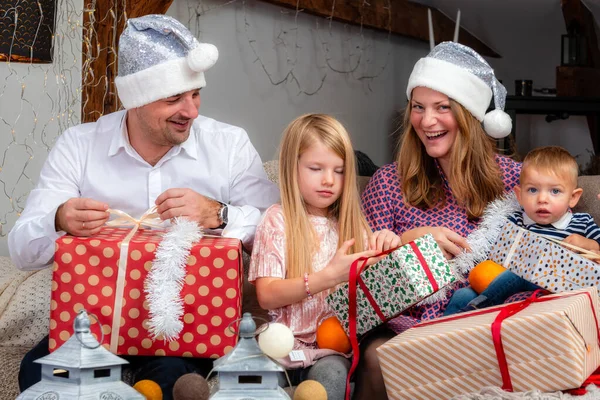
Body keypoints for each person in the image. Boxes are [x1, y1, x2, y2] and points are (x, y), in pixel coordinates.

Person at [9, 14, 279, 399]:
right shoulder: (80, 146)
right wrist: (59, 218)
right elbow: (20, 250)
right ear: (135, 99)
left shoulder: (228, 145)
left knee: (169, 383)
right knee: (39, 378)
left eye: (196, 93)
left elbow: (277, 228)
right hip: (93, 321)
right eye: (174, 99)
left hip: (184, 324)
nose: (192, 111)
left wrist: (219, 213)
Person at [358, 42, 521, 399]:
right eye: (418, 107)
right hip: (404, 330)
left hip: (486, 325)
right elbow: (362, 298)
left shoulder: (517, 183)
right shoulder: (387, 183)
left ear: (470, 115)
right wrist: (409, 241)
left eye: (442, 107)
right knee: (376, 356)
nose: (426, 121)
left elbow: (551, 243)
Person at [249, 114, 400, 399]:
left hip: (331, 350)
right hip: (279, 347)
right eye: (316, 168)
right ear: (291, 168)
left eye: (339, 170)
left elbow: (377, 291)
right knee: (249, 384)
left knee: (330, 378)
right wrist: (327, 277)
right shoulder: (277, 220)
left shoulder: (352, 225)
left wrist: (389, 247)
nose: (329, 180)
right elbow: (267, 295)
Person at [444, 146, 600, 315]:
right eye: (532, 190)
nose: (542, 199)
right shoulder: (515, 222)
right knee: (462, 294)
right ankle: (439, 335)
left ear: (573, 198)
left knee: (527, 269)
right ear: (519, 195)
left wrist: (589, 243)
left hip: (553, 290)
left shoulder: (581, 222)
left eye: (555, 191)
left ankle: (481, 306)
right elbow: (498, 257)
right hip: (507, 290)